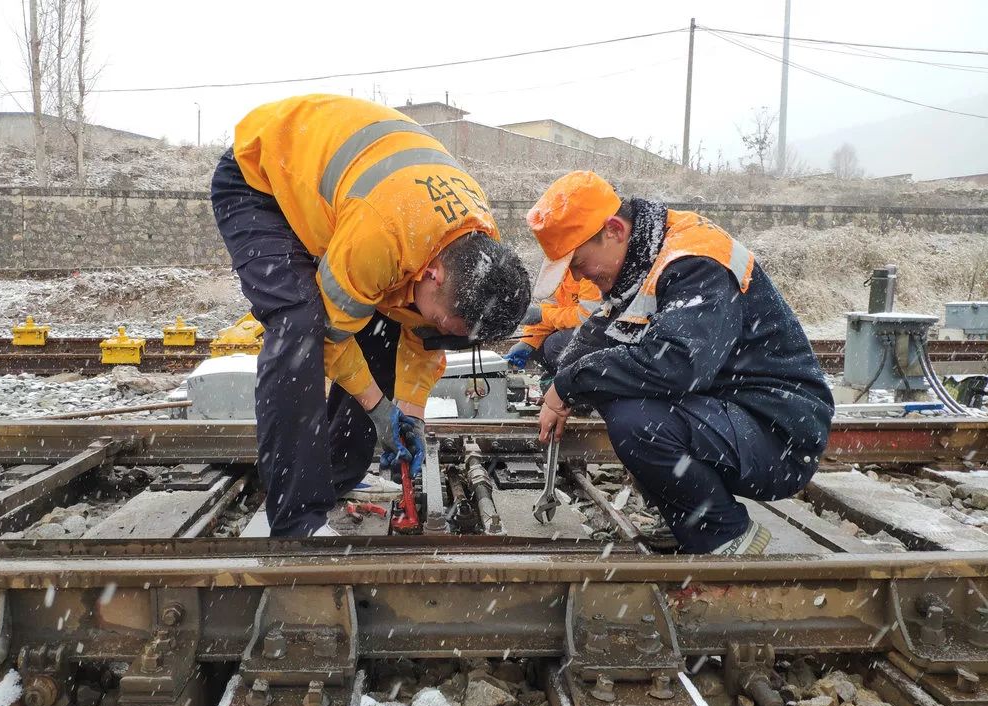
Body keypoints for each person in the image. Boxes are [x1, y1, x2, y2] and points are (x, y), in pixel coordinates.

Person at [211, 95, 530, 537]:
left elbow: (421, 336)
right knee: (300, 325)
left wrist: (410, 415)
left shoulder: (471, 248)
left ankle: (338, 474)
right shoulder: (382, 236)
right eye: (441, 322)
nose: (436, 330)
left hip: (351, 199)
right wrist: (379, 407)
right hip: (261, 182)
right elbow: (331, 339)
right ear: (433, 275)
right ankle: (295, 518)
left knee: (383, 327)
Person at [529, 171, 834, 554]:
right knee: (609, 389)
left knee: (636, 420)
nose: (576, 275)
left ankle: (725, 537)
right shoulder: (643, 258)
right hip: (734, 415)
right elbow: (602, 331)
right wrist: (562, 387)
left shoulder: (694, 260)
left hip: (779, 434)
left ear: (614, 230)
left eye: (578, 262)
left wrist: (571, 384)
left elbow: (677, 363)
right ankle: (688, 520)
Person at [502, 271, 602, 375]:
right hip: (581, 328)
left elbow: (587, 315)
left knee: (555, 345)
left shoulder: (588, 270)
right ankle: (556, 376)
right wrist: (528, 342)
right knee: (538, 346)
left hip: (601, 331)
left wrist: (543, 315)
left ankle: (577, 381)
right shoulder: (562, 270)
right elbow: (552, 305)